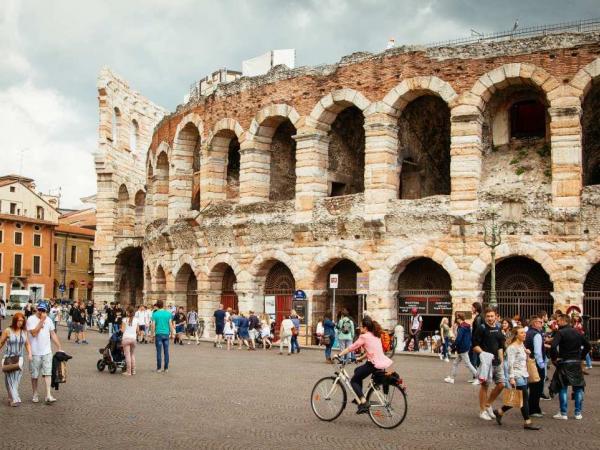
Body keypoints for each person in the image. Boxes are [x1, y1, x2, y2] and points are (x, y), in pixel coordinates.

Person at [338, 316, 393, 414]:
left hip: (373, 364)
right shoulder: (374, 335)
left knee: (353, 381)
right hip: (381, 362)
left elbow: (352, 347)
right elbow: (371, 351)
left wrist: (339, 354)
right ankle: (360, 395)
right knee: (357, 371)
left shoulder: (364, 336)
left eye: (361, 326)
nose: (359, 328)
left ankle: (363, 402)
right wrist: (359, 358)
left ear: (365, 328)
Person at [493, 326, 541, 430]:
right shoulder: (512, 348)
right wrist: (511, 378)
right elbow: (510, 364)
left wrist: (528, 354)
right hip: (517, 375)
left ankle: (500, 411)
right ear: (516, 335)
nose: (524, 334)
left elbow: (524, 361)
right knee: (524, 398)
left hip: (524, 374)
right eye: (522, 333)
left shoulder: (522, 345)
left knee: (518, 398)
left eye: (524, 333)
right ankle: (527, 422)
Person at [550, 314, 591, 420]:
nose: (557, 323)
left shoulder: (560, 332)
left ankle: (563, 413)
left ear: (564, 321)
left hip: (565, 361)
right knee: (578, 388)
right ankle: (578, 413)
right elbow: (588, 345)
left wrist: (554, 358)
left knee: (563, 387)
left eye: (558, 321)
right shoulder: (577, 332)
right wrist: (581, 356)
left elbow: (553, 346)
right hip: (576, 362)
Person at [473, 307, 505, 421]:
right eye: (488, 316)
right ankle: (482, 411)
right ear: (485, 317)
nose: (490, 318)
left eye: (492, 316)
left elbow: (501, 345)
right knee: (485, 386)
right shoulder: (481, 328)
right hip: (487, 363)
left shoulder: (498, 328)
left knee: (501, 384)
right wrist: (484, 354)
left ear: (496, 316)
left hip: (497, 362)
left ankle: (488, 404)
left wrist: (501, 359)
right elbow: (475, 345)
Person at [26, 300, 63, 403]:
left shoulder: (49, 320)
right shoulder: (31, 319)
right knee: (34, 375)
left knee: (48, 374)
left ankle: (48, 395)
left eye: (43, 310)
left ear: (46, 310)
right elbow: (33, 333)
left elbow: (53, 334)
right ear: (36, 309)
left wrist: (59, 346)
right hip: (35, 352)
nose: (41, 312)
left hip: (47, 351)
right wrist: (41, 321)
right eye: (40, 309)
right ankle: (35, 394)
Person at [0, 312, 32, 406]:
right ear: (15, 321)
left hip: (19, 359)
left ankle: (12, 397)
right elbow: (1, 343)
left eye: (22, 321)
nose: (20, 322)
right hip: (8, 358)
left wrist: (30, 353)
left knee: (16, 379)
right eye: (19, 320)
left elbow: (27, 344)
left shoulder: (24, 332)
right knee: (9, 378)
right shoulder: (7, 330)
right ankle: (14, 398)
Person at [445, 313, 478, 384]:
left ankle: (478, 377)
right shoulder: (467, 326)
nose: (455, 319)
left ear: (458, 318)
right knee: (455, 363)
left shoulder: (462, 327)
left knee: (468, 364)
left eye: (456, 318)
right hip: (465, 347)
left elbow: (458, 339)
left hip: (462, 348)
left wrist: (451, 347)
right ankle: (452, 378)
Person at [525, 315, 546, 418]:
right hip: (535, 364)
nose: (542, 324)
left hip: (528, 362)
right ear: (535, 323)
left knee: (533, 387)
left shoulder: (528, 332)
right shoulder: (536, 335)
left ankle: (535, 408)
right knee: (537, 387)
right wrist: (541, 364)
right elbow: (538, 352)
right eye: (540, 322)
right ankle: (533, 409)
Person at [151, 300, 174, 373]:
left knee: (158, 351)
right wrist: (172, 333)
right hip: (166, 334)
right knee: (166, 351)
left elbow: (153, 325)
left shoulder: (155, 314)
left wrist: (152, 334)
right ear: (163, 305)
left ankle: (159, 368)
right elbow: (170, 324)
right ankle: (166, 368)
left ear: (157, 306)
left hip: (158, 334)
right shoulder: (168, 314)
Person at [121, 306, 139, 376]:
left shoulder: (124, 319)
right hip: (133, 339)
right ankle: (133, 370)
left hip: (126, 338)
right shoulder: (136, 320)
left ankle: (128, 372)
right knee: (132, 354)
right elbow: (137, 330)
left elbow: (123, 330)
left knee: (127, 355)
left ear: (128, 312)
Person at [470, 302, 483, 369]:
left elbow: (478, 330)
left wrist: (475, 341)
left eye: (472, 307)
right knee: (476, 358)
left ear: (476, 308)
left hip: (476, 341)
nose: (471, 309)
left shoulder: (478, 318)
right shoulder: (479, 317)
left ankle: (476, 376)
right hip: (477, 341)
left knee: (475, 359)